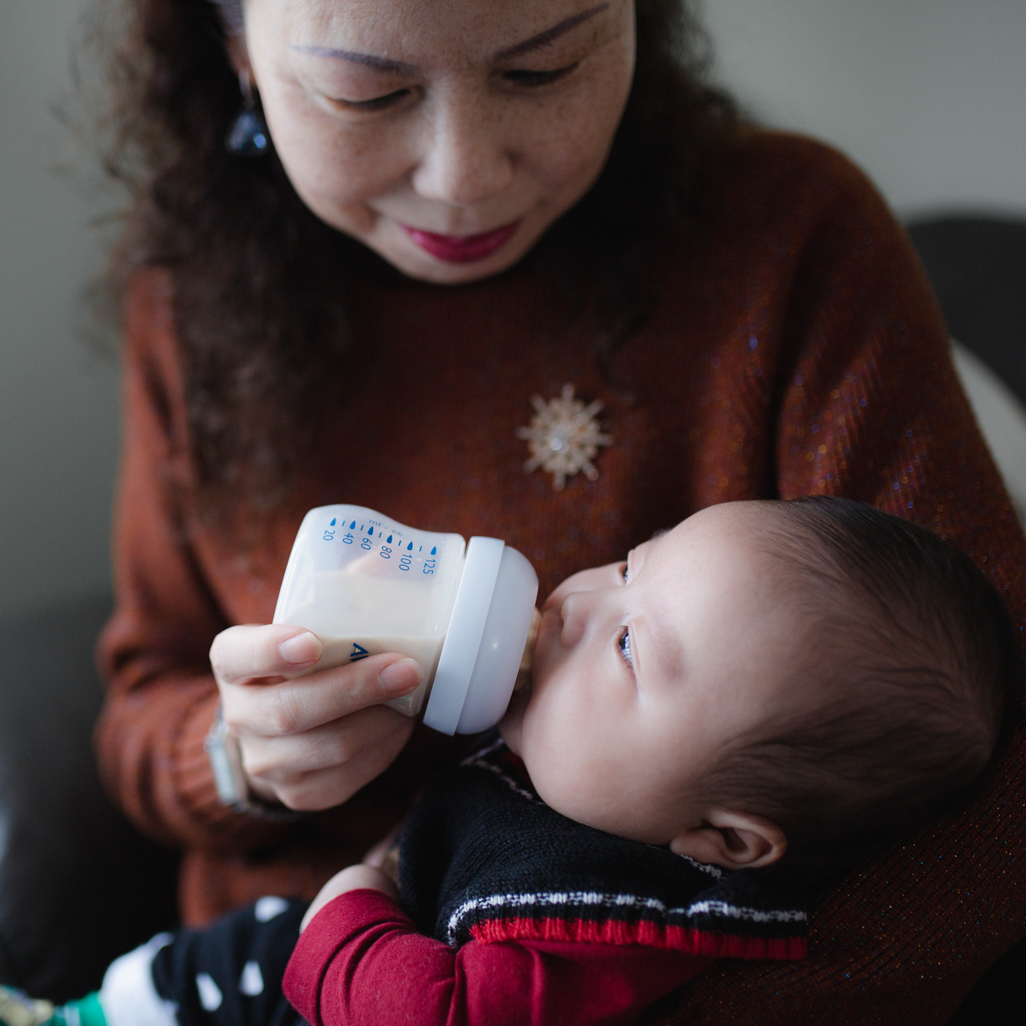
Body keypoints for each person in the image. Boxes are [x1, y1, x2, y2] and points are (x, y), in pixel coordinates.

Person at [88, 0, 1026, 1021]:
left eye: (543, 70)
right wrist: (240, 754)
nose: (464, 176)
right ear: (238, 55)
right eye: (370, 91)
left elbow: (986, 813)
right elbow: (139, 705)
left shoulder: (790, 237)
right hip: (240, 973)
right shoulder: (192, 309)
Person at [9, 497, 1020, 1026]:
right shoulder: (594, 772)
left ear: (720, 838)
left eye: (629, 646)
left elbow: (432, 1014)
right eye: (631, 563)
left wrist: (349, 905)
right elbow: (142, 695)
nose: (578, 602)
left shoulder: (601, 927)